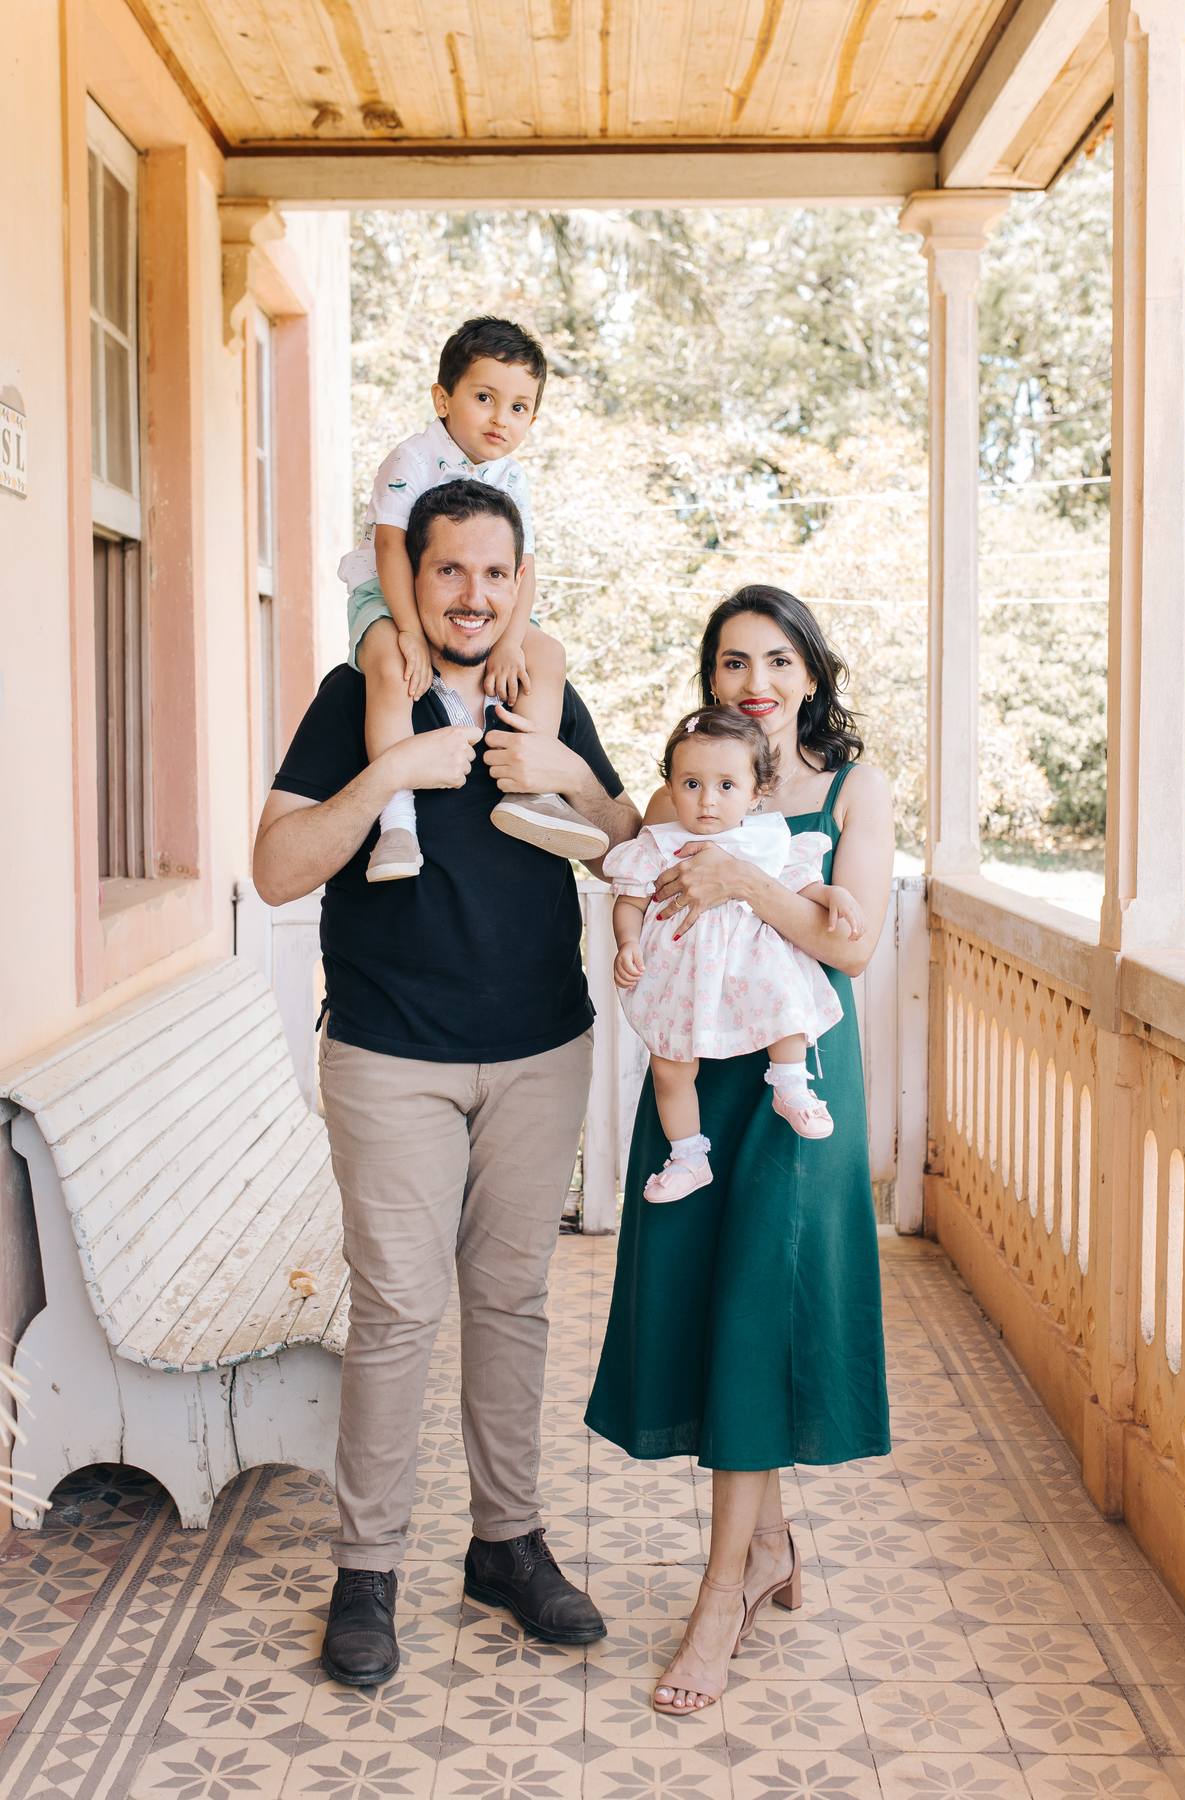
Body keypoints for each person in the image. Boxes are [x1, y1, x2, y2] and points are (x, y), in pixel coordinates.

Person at [255, 479, 640, 1687]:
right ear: (411, 582)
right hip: (389, 1054)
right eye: (450, 571)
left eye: (495, 572)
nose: (474, 595)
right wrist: (391, 777)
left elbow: (633, 849)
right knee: (399, 1311)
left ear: (522, 584)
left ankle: (506, 1544)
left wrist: (567, 770)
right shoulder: (355, 699)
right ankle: (366, 1570)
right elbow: (276, 868)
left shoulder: (546, 696)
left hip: (540, 1049)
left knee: (513, 1302)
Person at [585, 585, 894, 1716]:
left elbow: (850, 949)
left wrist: (747, 881)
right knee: (708, 1303)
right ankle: (765, 1549)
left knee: (763, 1306)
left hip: (793, 1075)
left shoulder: (854, 789)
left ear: (811, 673)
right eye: (731, 662)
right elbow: (621, 863)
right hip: (692, 1073)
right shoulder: (692, 784)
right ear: (710, 675)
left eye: (776, 660)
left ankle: (721, 1597)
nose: (753, 682)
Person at [338, 314, 608, 881]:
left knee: (548, 653)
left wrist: (511, 642)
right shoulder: (411, 458)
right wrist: (409, 631)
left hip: (472, 607)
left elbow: (524, 569)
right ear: (443, 399)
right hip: (389, 592)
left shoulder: (512, 478)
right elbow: (390, 550)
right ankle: (397, 822)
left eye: (519, 407)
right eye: (484, 398)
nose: (500, 418)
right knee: (391, 666)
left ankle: (530, 792)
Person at [605, 707, 864, 1202]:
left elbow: (800, 882)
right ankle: (688, 1157)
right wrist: (628, 941)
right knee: (669, 1068)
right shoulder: (657, 844)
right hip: (679, 976)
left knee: (784, 1001)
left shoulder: (764, 840)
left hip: (751, 968)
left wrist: (834, 895)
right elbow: (631, 901)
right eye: (692, 784)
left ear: (756, 791)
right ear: (670, 787)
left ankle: (792, 1084)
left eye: (726, 785)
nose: (707, 800)